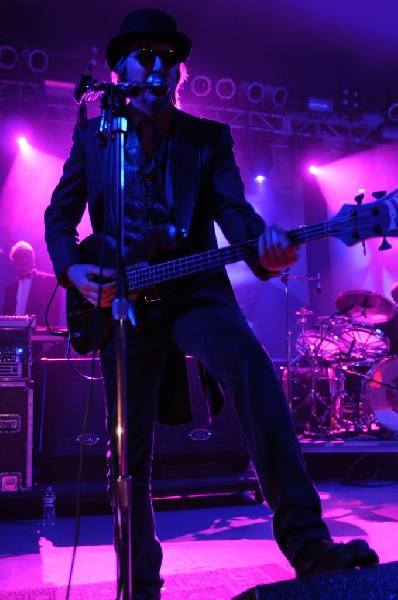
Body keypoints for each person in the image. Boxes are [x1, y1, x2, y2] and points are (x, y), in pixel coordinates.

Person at [44, 8, 378, 599]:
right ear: (118, 70)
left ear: (179, 73)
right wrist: (72, 269)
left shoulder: (207, 138)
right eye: (141, 56)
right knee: (129, 454)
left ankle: (309, 546)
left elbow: (236, 215)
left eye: (165, 58)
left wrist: (265, 249)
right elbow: (59, 217)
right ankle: (139, 584)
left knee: (252, 368)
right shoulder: (95, 137)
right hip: (122, 308)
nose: (154, 66)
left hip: (195, 291)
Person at [2, 240, 60, 327]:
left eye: (27, 256)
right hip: (14, 334)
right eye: (19, 258)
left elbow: (54, 312)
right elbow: (6, 315)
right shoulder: (10, 288)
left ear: (33, 258)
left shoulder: (49, 281)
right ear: (14, 262)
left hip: (39, 335)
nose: (24, 260)